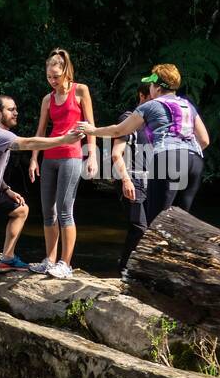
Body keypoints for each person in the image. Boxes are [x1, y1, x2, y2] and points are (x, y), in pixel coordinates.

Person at [0, 95, 87, 313]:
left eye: (16, 109)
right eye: (11, 109)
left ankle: (7, 258)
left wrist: (6, 190)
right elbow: (28, 143)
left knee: (21, 210)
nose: (16, 113)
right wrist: (63, 140)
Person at [78, 63, 210, 233]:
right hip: (195, 161)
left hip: (168, 159)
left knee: (156, 222)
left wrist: (92, 130)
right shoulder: (187, 106)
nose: (150, 88)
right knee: (181, 222)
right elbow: (205, 140)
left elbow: (119, 130)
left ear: (156, 87)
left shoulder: (150, 106)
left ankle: (152, 259)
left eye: (151, 84)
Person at [27, 48, 98, 280]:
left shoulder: (80, 90)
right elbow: (40, 131)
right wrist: (34, 158)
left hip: (71, 156)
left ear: (66, 72)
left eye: (56, 76)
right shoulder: (47, 99)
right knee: (48, 211)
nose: (52, 81)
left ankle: (65, 263)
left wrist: (93, 156)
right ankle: (49, 260)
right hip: (49, 156)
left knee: (65, 210)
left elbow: (90, 125)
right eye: (49, 77)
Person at [111, 85, 154, 270]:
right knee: (139, 227)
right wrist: (126, 180)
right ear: (142, 96)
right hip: (132, 179)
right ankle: (124, 268)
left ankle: (137, 268)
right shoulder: (128, 119)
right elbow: (116, 153)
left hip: (152, 181)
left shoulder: (155, 122)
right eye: (152, 98)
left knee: (150, 228)